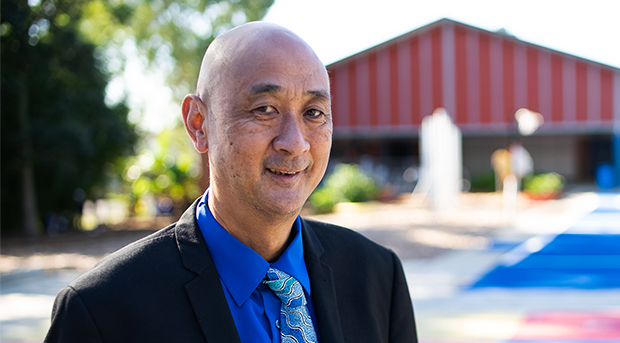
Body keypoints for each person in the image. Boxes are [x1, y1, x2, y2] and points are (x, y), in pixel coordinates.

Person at [45, 22, 417, 343]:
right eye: (264, 110)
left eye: (313, 113)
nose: (295, 142)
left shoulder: (378, 278)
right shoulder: (103, 311)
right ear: (199, 123)